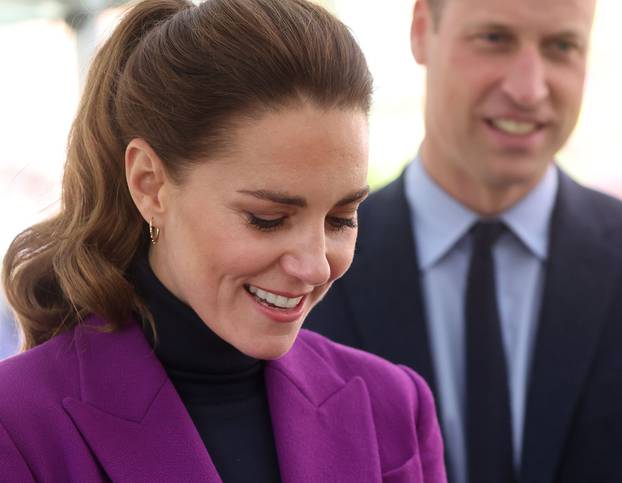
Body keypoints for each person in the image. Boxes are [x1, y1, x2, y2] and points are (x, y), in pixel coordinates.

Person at [0, 0, 447, 481]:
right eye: (267, 218)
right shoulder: (18, 425)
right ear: (149, 184)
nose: (316, 266)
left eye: (341, 219)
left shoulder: (394, 407)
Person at [306, 0, 622, 482]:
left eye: (561, 46)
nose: (528, 89)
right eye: (494, 39)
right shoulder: (305, 270)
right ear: (420, 31)